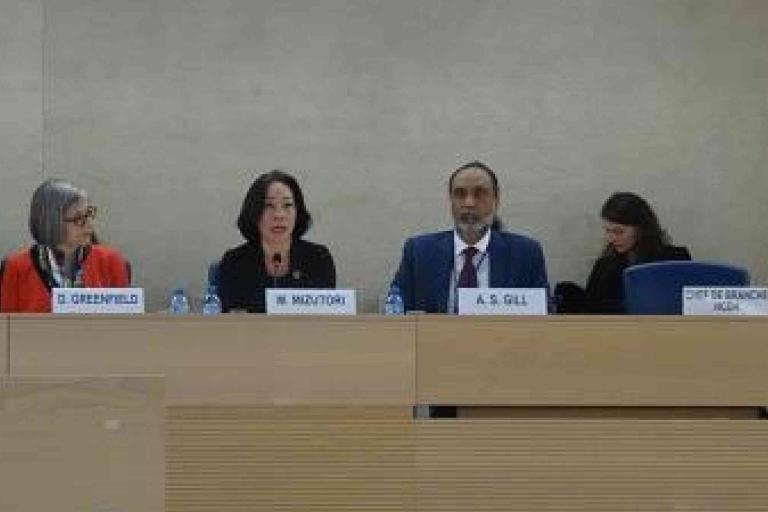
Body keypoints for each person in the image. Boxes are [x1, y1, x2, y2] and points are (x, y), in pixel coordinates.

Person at [390, 161, 549, 314]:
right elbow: (395, 312)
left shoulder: (526, 254)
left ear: (496, 199)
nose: (469, 203)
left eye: (479, 194)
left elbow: (543, 318)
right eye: (460, 194)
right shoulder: (419, 252)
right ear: (450, 200)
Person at [0, 178, 130, 312]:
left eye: (89, 213)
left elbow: (125, 325)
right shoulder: (16, 267)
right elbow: (5, 328)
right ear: (52, 222)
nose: (89, 224)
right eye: (79, 218)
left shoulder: (111, 262)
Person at [218, 170, 336, 313]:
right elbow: (227, 321)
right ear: (254, 212)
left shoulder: (318, 258)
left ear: (298, 211)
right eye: (269, 206)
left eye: (287, 205)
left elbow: (328, 319)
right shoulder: (234, 262)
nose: (279, 215)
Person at [556, 192, 691, 313]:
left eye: (618, 231)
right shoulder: (605, 266)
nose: (611, 238)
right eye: (608, 231)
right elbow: (592, 314)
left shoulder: (675, 259)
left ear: (641, 229)